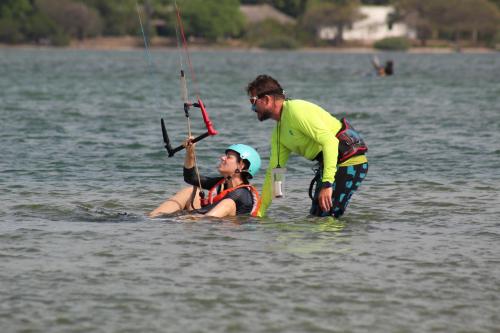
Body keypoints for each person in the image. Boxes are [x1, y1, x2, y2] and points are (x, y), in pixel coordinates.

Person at [246, 74, 368, 218]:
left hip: (350, 162)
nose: (252, 108)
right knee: (315, 218)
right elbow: (275, 173)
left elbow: (330, 142)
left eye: (253, 101)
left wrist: (327, 184)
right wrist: (260, 212)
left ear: (267, 99)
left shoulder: (296, 111)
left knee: (327, 218)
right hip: (331, 166)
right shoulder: (278, 134)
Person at [149, 140, 261, 218]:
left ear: (241, 166)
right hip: (203, 217)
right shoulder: (222, 183)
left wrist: (180, 218)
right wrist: (190, 152)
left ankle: (161, 220)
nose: (222, 158)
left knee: (228, 203)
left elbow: (208, 216)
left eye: (228, 157)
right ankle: (152, 218)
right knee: (190, 191)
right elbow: (191, 178)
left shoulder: (241, 194)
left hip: (215, 224)